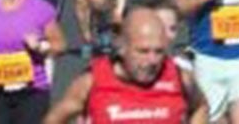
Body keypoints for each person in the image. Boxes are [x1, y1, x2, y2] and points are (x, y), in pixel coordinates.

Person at [43, 7, 209, 124]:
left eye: (158, 51)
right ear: (122, 48)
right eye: (143, 51)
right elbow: (55, 118)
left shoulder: (179, 77)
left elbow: (201, 106)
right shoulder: (93, 81)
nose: (152, 61)